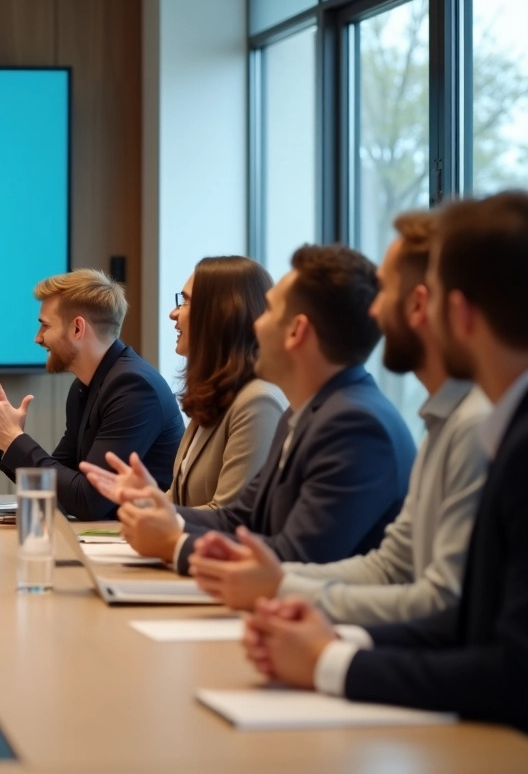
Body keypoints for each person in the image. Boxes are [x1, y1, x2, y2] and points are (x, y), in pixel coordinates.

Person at [241, 191, 528, 733]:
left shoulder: (488, 434)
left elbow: (501, 660)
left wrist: (331, 658)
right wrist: (326, 632)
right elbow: (424, 588)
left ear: (455, 311)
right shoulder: (471, 423)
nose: (373, 310)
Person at [189, 214, 489, 625]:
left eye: (384, 290)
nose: (375, 310)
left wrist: (331, 657)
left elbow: (441, 605)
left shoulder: (452, 425)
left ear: (422, 304)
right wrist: (273, 584)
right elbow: (392, 567)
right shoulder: (442, 418)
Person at [91, 245, 415, 574]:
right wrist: (157, 507)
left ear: (297, 331)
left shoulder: (354, 425)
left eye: (270, 312)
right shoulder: (303, 412)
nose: (255, 325)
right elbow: (240, 517)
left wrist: (175, 543)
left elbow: (297, 556)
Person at [0, 268, 184, 520]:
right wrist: (7, 440)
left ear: (77, 328)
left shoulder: (133, 388)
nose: (37, 338)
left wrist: (13, 439)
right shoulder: (84, 387)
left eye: (45, 326)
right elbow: (60, 486)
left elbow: (88, 501)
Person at [80, 256, 287, 511]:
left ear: (220, 313)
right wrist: (140, 500)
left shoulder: (258, 401)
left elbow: (233, 515)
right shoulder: (215, 394)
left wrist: (157, 513)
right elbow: (179, 501)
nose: (173, 313)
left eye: (185, 301)